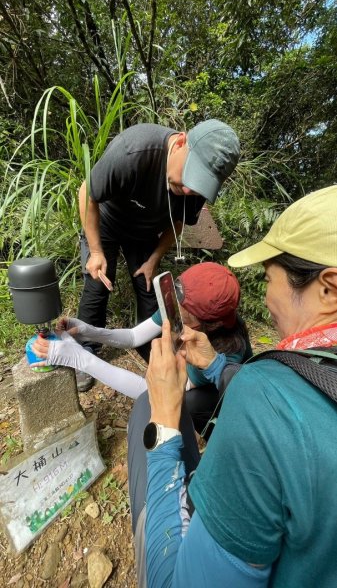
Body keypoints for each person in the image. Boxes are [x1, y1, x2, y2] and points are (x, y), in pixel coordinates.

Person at [127, 184, 337, 587]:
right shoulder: (259, 369)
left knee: (143, 412)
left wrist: (166, 421)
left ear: (326, 287)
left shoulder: (263, 401)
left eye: (267, 277)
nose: (267, 294)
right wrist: (218, 365)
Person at [76, 119, 240, 390]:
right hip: (105, 220)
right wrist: (95, 251)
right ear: (180, 142)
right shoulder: (134, 151)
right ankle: (86, 350)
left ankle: (150, 346)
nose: (189, 189)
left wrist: (153, 259)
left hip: (143, 233)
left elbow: (177, 222)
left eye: (198, 184)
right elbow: (87, 194)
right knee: (98, 284)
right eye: (190, 175)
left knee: (147, 286)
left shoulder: (196, 189)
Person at [31, 263, 252, 433]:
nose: (174, 307)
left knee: (191, 404)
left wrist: (81, 360)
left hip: (218, 397)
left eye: (183, 308)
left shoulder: (224, 350)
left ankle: (206, 431)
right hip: (192, 370)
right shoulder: (181, 306)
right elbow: (134, 336)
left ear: (205, 323)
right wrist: (89, 330)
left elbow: (153, 391)